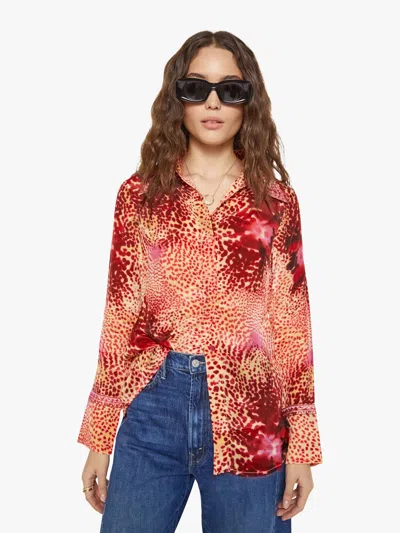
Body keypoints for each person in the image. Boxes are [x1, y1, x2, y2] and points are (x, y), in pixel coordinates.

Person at [78, 30, 323, 532]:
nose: (213, 103)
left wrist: (302, 445)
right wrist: (99, 435)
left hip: (250, 413)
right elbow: (120, 312)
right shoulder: (140, 194)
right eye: (197, 88)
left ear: (249, 102)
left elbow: (291, 325)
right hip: (154, 403)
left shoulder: (276, 201)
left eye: (230, 89)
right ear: (178, 99)